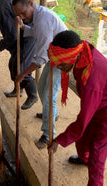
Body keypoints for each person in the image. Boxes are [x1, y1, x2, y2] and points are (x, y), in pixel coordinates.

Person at [48, 30, 107, 186]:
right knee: (81, 139)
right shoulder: (82, 51)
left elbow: (82, 121)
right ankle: (83, 158)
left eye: (61, 63)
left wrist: (59, 140)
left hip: (105, 114)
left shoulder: (92, 79)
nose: (59, 67)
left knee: (97, 153)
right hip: (98, 104)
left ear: (71, 57)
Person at [12, 0, 67, 148]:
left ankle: (48, 135)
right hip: (54, 56)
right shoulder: (36, 16)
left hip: (63, 60)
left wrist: (23, 74)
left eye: (23, 13)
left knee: (48, 96)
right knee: (42, 89)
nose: (22, 17)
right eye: (19, 15)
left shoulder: (43, 19)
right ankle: (52, 114)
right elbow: (34, 32)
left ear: (31, 3)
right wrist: (23, 26)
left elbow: (41, 58)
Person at [0, 0, 38, 110]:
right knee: (12, 65)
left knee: (22, 68)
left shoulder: (2, 7)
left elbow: (12, 35)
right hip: (17, 38)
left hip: (26, 38)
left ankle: (33, 95)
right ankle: (18, 89)